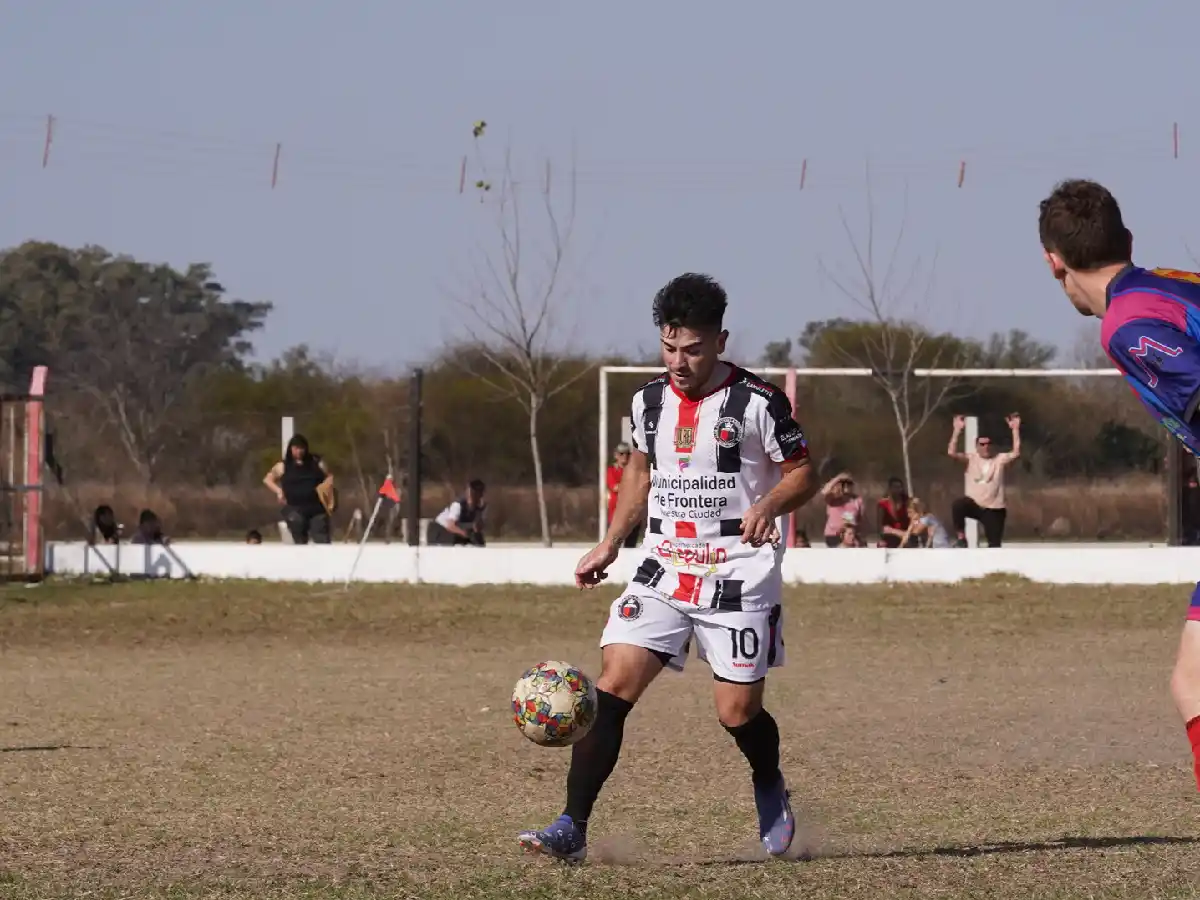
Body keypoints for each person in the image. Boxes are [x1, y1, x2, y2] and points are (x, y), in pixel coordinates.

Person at [517, 273, 817, 862]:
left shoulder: (759, 403)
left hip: (738, 571)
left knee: (737, 712)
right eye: (669, 346)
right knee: (613, 686)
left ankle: (768, 780)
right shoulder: (647, 400)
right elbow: (638, 471)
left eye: (694, 348)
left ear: (721, 341)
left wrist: (768, 505)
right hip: (663, 567)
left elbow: (804, 472)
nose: (679, 361)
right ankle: (570, 827)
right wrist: (610, 542)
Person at [1038, 177, 1200, 792]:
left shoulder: (1128, 325)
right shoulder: (1176, 284)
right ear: (1126, 239)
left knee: (1195, 682)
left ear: (1053, 262)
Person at [947, 414, 1021, 547]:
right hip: (975, 505)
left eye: (988, 444)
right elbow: (951, 453)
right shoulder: (971, 458)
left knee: (994, 545)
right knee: (958, 505)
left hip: (994, 508)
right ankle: (961, 538)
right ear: (977, 446)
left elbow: (1016, 452)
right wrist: (957, 431)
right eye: (982, 444)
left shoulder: (999, 459)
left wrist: (1015, 429)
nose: (985, 447)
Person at [263, 434, 334, 545]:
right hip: (294, 508)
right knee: (299, 539)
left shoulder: (316, 462)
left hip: (317, 509)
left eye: (302, 448)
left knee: (322, 540)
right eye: (296, 448)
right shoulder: (283, 466)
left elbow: (329, 476)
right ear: (291, 449)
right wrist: (279, 491)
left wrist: (327, 490)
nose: (299, 451)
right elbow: (268, 479)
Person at [426, 479, 487, 546]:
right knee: (456, 538)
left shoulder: (477, 509)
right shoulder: (458, 505)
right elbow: (450, 526)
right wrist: (463, 534)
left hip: (454, 530)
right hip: (439, 530)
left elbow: (474, 527)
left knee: (477, 538)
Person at [606, 443, 641, 548]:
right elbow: (614, 487)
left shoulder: (635, 471)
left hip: (632, 515)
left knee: (630, 546)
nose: (624, 457)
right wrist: (630, 486)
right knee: (613, 545)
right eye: (621, 454)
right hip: (616, 515)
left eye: (627, 454)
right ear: (616, 455)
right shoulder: (611, 471)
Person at [820, 472, 864, 547]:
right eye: (844, 484)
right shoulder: (833, 499)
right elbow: (824, 492)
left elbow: (860, 520)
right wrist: (838, 479)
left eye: (849, 484)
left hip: (850, 536)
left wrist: (858, 535)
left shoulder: (857, 501)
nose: (847, 486)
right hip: (833, 534)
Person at [876, 477, 915, 548]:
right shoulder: (883, 504)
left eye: (899, 487)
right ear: (890, 488)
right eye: (895, 487)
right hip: (890, 536)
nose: (897, 490)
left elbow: (914, 518)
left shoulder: (906, 501)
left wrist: (907, 532)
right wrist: (897, 532)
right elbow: (881, 527)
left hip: (906, 534)